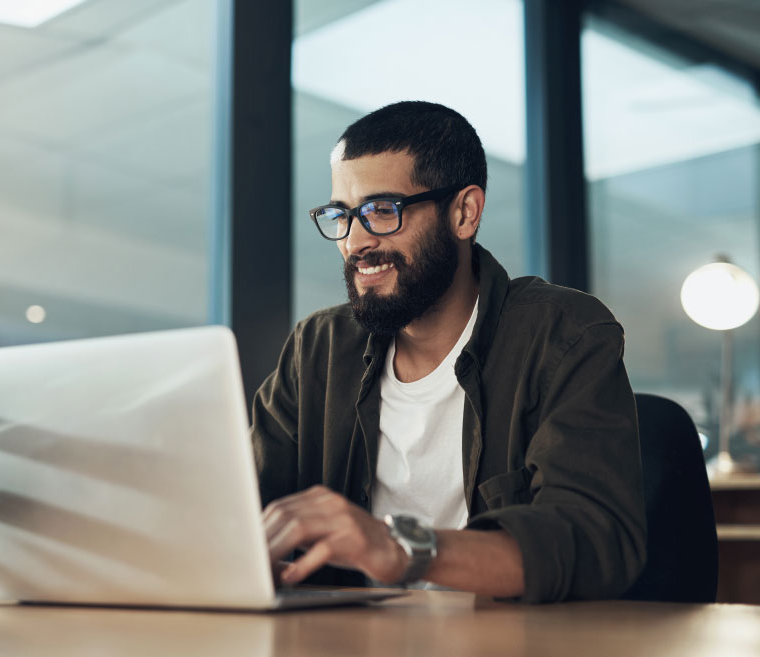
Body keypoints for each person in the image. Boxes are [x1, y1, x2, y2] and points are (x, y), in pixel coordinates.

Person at [252, 101, 646, 603]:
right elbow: (242, 506)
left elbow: (595, 540)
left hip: (509, 654)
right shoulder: (319, 349)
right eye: (342, 215)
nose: (354, 242)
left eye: (381, 211)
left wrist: (402, 549)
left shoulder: (563, 333)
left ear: (464, 213)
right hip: (344, 651)